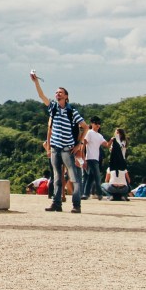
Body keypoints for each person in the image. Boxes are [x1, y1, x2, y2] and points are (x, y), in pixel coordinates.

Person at [30, 72, 88, 213]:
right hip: (56, 147)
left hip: (68, 148)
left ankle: (76, 205)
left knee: (73, 177)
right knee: (57, 177)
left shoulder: (72, 111)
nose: (58, 94)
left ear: (66, 96)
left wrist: (79, 144)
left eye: (60, 93)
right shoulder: (53, 108)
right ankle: (56, 204)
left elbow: (85, 127)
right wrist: (36, 82)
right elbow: (41, 96)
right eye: (56, 93)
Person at [82, 116, 108, 200]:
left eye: (99, 123)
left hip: (96, 158)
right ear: (92, 124)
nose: (97, 125)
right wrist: (83, 158)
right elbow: (83, 145)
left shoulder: (99, 135)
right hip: (90, 158)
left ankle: (86, 194)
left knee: (91, 177)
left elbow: (106, 145)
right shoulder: (89, 132)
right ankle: (99, 194)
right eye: (96, 123)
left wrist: (112, 140)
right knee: (97, 176)